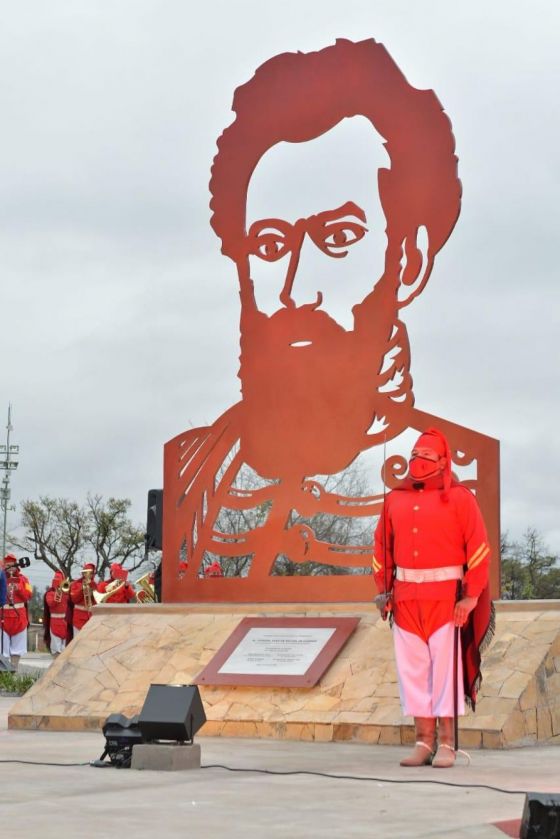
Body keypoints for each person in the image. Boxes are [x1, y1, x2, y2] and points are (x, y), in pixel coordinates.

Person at [163, 39, 497, 596]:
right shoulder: (197, 467)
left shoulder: (460, 472)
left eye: (339, 238)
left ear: (408, 261)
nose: (297, 291)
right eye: (270, 246)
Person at [372, 427, 493, 768]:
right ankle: (423, 742)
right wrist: (383, 590)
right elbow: (381, 548)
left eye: (425, 456)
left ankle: (447, 745)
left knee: (445, 673)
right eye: (414, 456)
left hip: (446, 599)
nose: (417, 462)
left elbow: (480, 550)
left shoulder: (461, 498)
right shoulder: (394, 499)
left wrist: (470, 598)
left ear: (443, 461)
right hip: (406, 598)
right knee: (413, 672)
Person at [1, 554, 33, 671]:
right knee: (2, 647)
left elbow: (29, 595)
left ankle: (14, 669)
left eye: (12, 565)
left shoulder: (24, 579)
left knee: (17, 647)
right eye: (7, 565)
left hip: (19, 616)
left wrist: (19, 588)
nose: (10, 568)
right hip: (2, 616)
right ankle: (3, 673)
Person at [43, 571, 73, 657]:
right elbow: (51, 604)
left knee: (66, 646)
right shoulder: (49, 593)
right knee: (56, 647)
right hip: (54, 622)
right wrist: (58, 593)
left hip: (65, 621)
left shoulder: (67, 594)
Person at [69, 563, 97, 635]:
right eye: (85, 572)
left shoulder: (95, 585)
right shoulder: (75, 584)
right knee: (77, 642)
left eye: (90, 573)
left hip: (91, 618)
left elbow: (98, 601)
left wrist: (93, 592)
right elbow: (74, 599)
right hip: (78, 618)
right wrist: (82, 590)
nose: (88, 575)